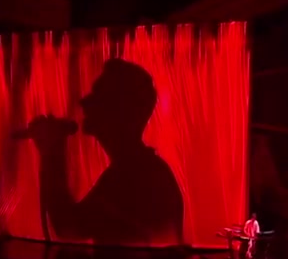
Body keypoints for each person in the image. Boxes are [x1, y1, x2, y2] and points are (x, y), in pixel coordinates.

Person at [27, 59, 184, 247]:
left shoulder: (134, 175)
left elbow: (69, 227)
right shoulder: (141, 168)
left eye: (97, 95)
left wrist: (52, 152)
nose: (84, 102)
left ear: (119, 110)